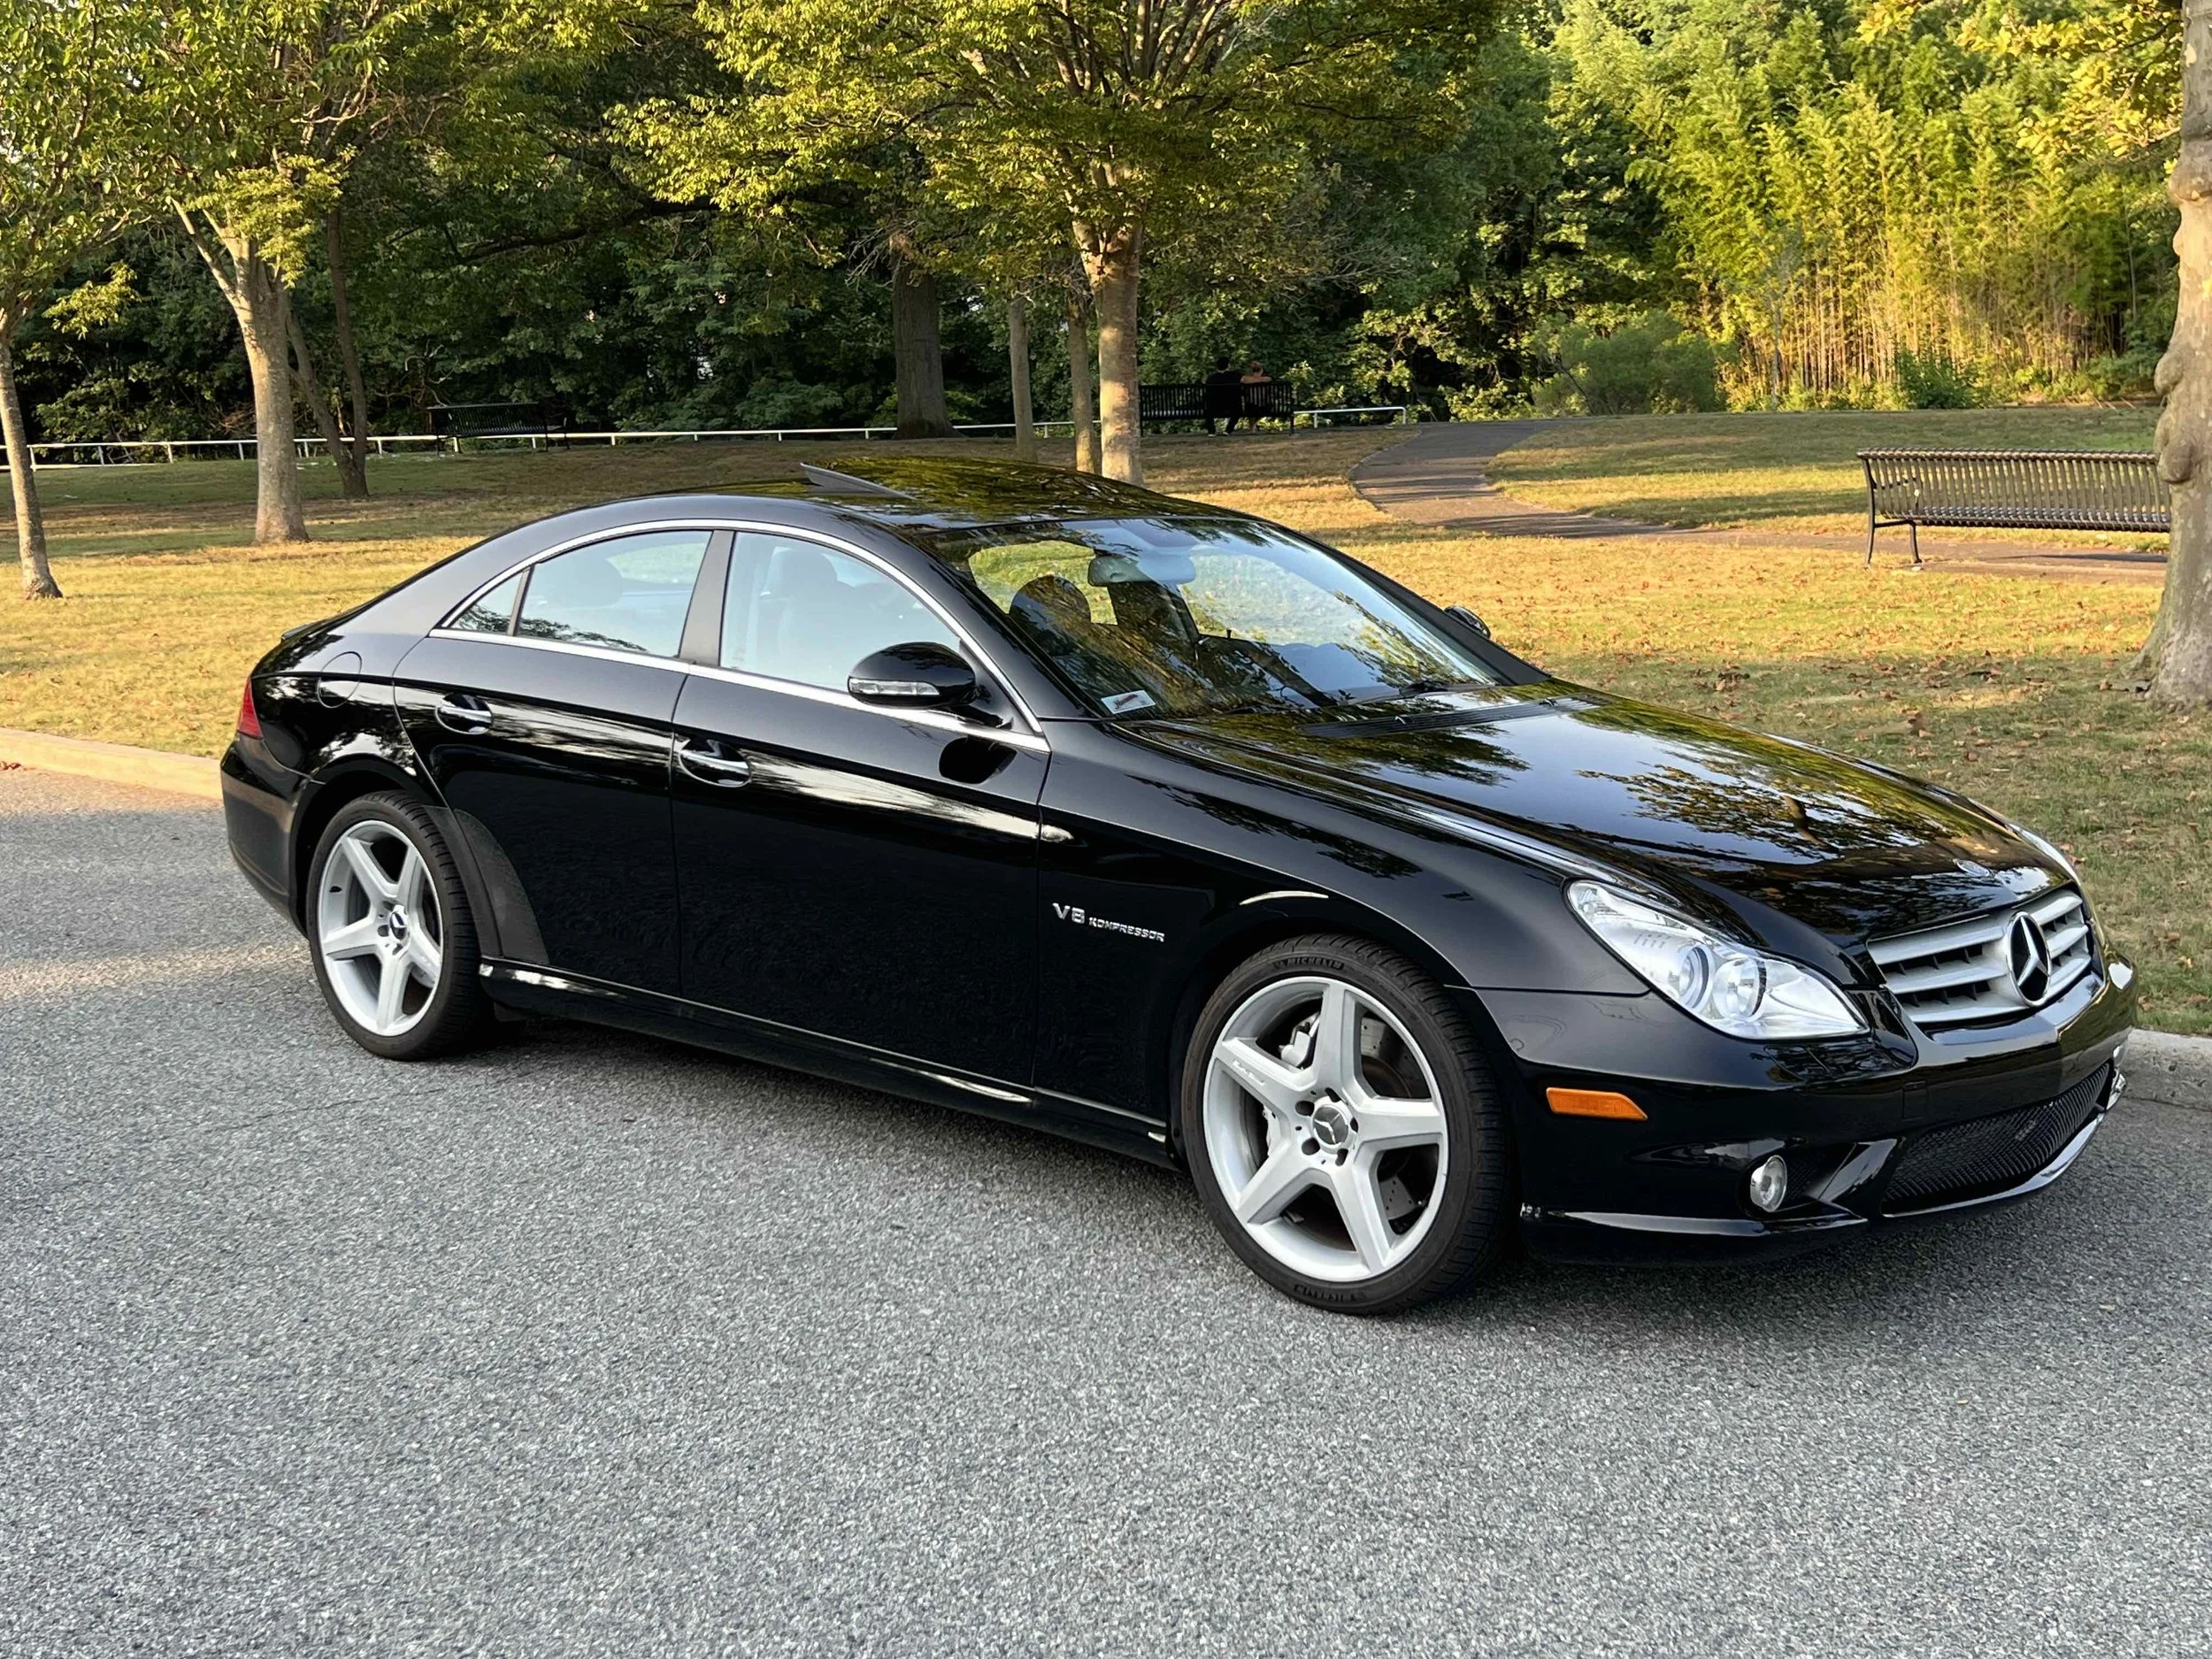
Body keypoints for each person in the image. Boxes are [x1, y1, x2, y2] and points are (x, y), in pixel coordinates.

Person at [1202, 357, 1241, 434]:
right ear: (1228, 365)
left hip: (1214, 407)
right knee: (1238, 410)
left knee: (1208, 409)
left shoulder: (1210, 378)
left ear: (1217, 367)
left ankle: (1211, 431)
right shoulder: (1234, 375)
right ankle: (1228, 430)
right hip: (1231, 406)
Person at [1235, 361, 1273, 432]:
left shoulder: (1246, 378)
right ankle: (1253, 426)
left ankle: (1252, 427)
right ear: (1261, 370)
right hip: (1265, 406)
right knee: (1260, 407)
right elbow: (1269, 379)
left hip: (1251, 406)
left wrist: (1252, 378)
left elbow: (1243, 380)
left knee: (1250, 406)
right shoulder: (1266, 379)